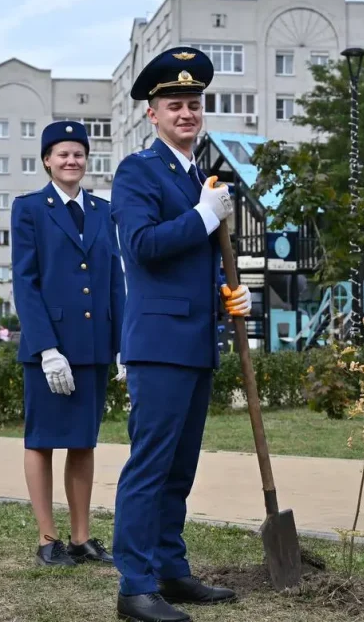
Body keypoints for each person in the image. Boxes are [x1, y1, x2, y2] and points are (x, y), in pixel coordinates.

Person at [109, 46, 251, 622]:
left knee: (179, 467)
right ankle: (134, 586)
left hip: (195, 342)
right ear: (152, 112)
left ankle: (169, 568)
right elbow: (142, 247)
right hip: (160, 345)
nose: (186, 112)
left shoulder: (197, 174)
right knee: (150, 465)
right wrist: (206, 217)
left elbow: (192, 263)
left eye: (193, 103)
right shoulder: (138, 172)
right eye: (174, 103)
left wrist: (226, 294)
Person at [10, 120, 126, 567]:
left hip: (94, 345)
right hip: (50, 348)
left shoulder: (103, 209)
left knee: (83, 441)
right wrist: (45, 348)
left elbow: (115, 281)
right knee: (40, 441)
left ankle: (80, 538)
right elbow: (26, 282)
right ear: (46, 160)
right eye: (62, 154)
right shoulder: (30, 209)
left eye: (78, 153)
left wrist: (122, 346)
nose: (71, 160)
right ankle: (47, 539)